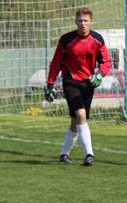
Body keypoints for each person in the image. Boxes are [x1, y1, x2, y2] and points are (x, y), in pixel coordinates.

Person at [45, 6, 111, 166]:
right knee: (81, 115)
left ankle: (63, 154)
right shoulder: (66, 40)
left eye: (85, 21)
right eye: (80, 20)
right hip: (70, 81)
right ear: (75, 21)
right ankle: (90, 154)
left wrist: (100, 74)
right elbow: (56, 63)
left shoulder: (97, 39)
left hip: (88, 83)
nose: (82, 23)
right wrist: (50, 84)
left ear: (91, 22)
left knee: (76, 120)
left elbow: (106, 62)